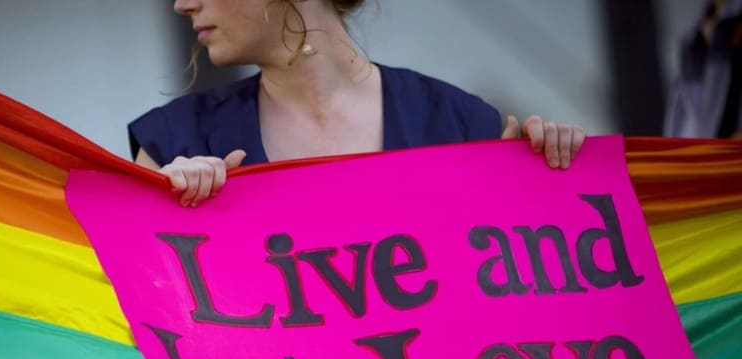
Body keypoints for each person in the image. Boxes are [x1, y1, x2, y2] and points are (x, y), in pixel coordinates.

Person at [129, 0, 587, 208]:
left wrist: (550, 184)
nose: (182, 4)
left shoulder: (462, 123)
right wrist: (161, 216)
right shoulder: (171, 146)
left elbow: (523, 300)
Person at [665, 0, 742, 139]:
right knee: (615, 156)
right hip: (707, 154)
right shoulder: (690, 41)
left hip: (729, 155)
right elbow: (679, 132)